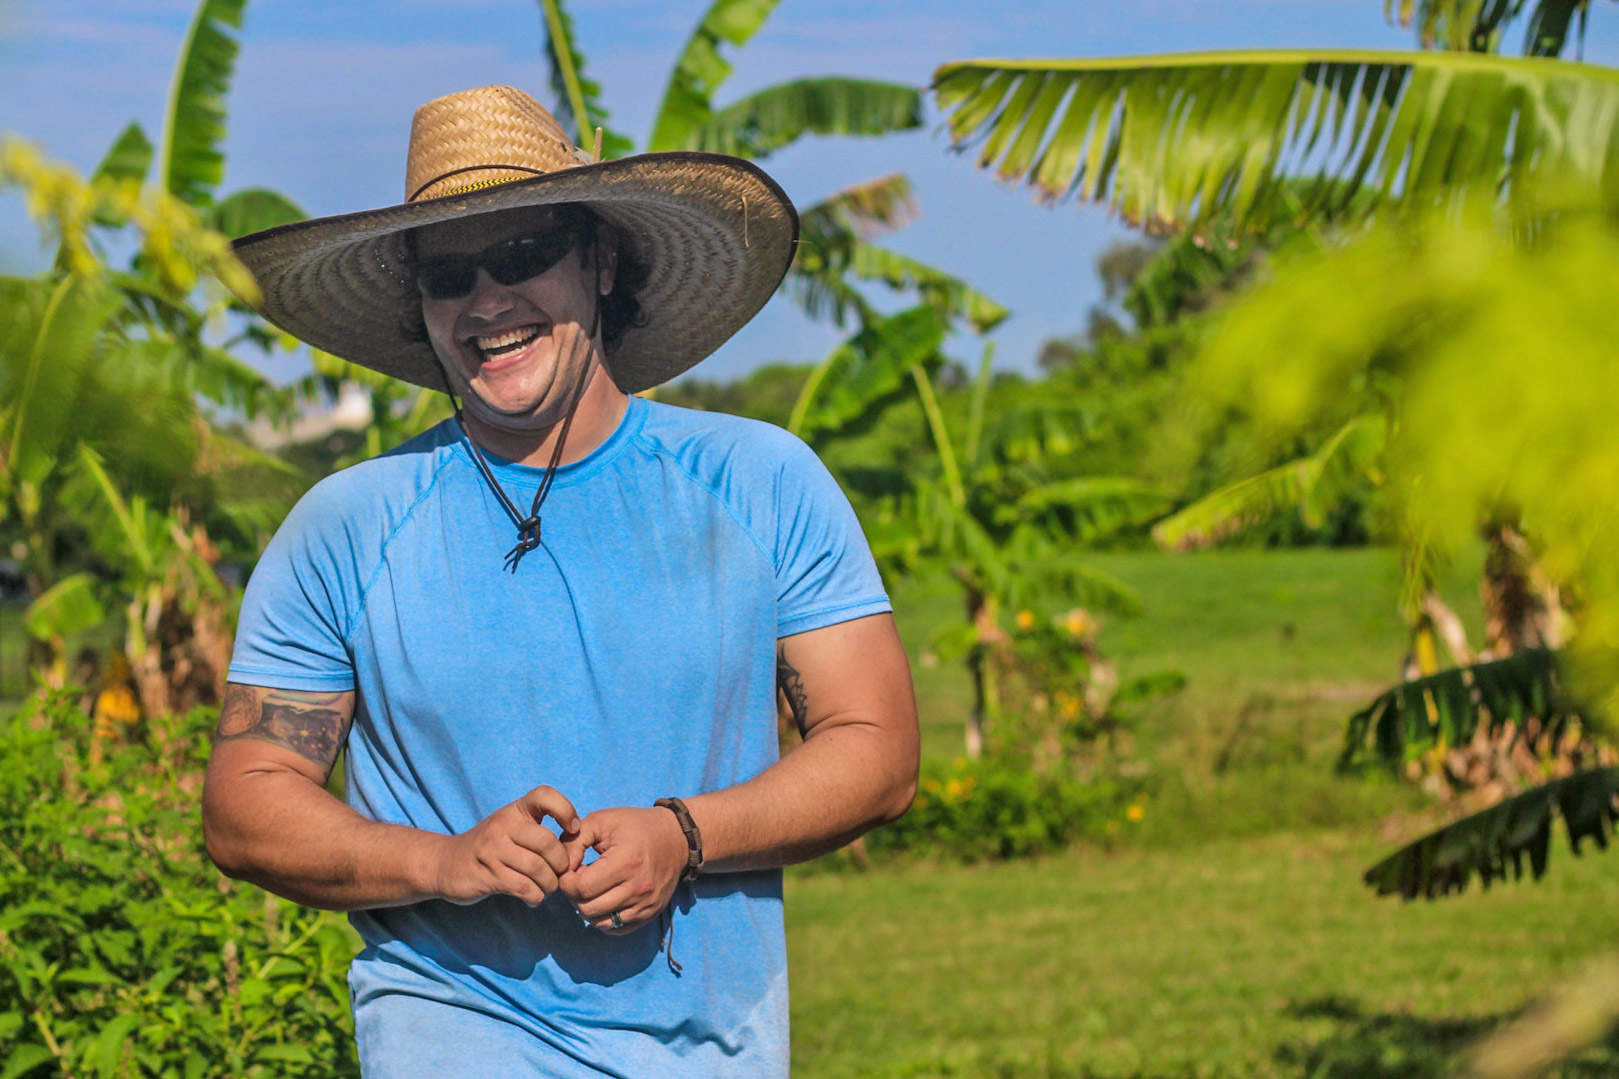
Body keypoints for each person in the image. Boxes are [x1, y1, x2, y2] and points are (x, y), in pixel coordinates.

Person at [201, 84, 919, 1078]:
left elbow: (877, 749)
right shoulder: (347, 524)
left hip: (715, 1050)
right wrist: (442, 862)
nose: (486, 300)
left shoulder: (759, 482)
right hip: (446, 1033)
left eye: (523, 253)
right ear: (418, 304)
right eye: (449, 273)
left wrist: (687, 833)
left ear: (601, 259)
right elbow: (245, 800)